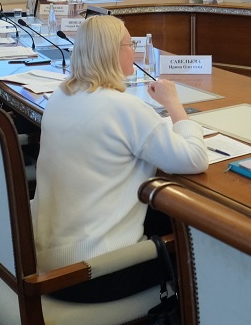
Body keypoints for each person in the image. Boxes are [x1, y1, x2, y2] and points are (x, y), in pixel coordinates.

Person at [31, 16, 209, 301]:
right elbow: (195, 158)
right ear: (112, 51)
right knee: (199, 246)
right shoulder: (123, 107)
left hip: (49, 260)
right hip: (95, 272)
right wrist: (174, 104)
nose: (133, 51)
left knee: (160, 215)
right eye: (129, 44)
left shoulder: (60, 96)